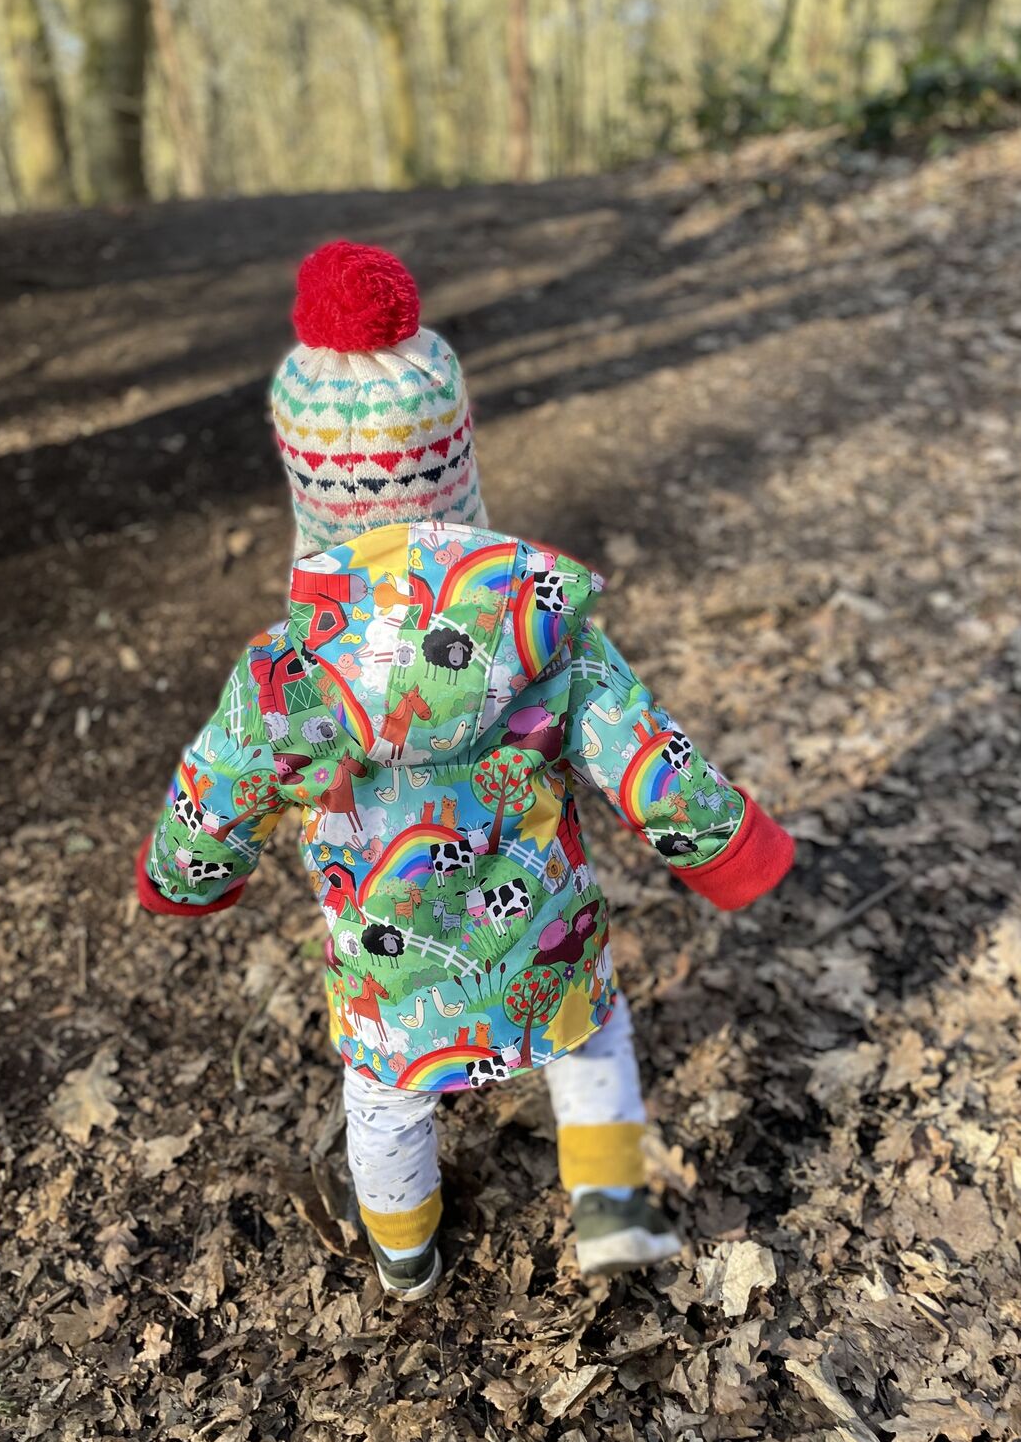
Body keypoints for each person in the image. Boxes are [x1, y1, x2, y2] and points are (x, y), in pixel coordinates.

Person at [136, 242, 794, 1299]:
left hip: (389, 971)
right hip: (543, 932)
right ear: (457, 474)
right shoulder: (543, 631)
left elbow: (218, 792)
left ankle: (406, 1258)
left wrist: (184, 874)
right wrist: (730, 847)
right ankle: (613, 1215)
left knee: (385, 1099)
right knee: (593, 1047)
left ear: (311, 495)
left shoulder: (287, 673)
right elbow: (644, 752)